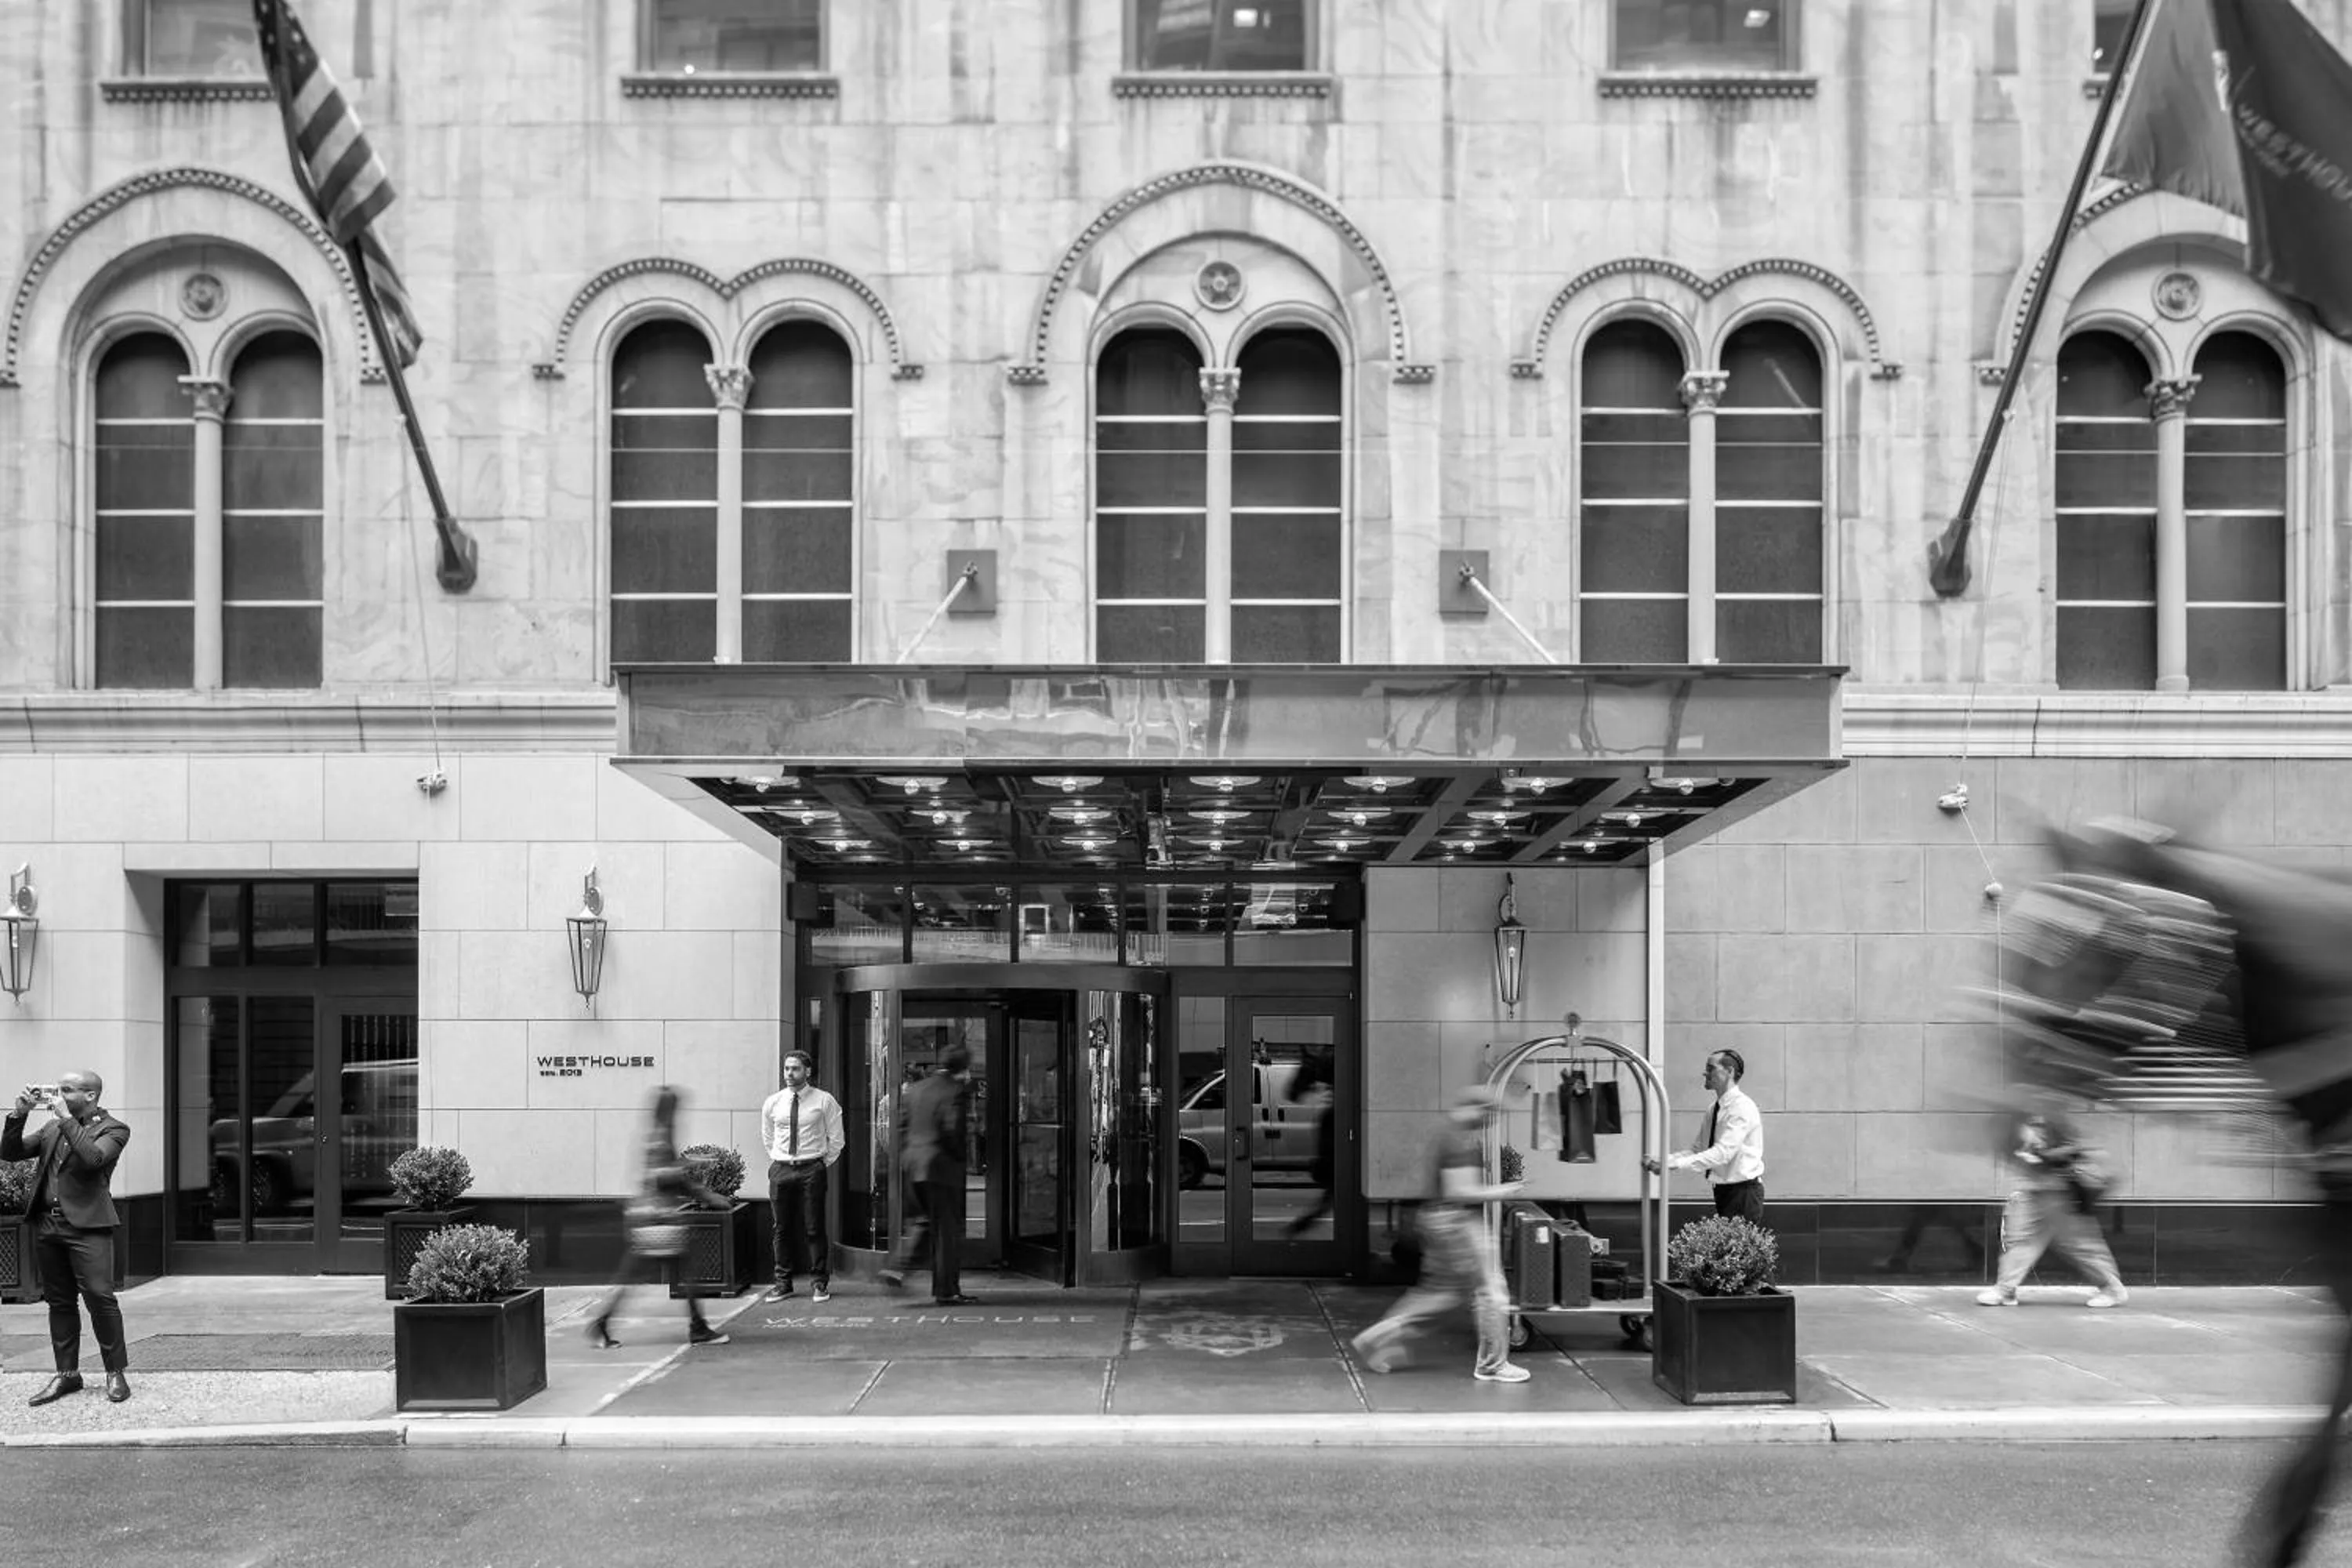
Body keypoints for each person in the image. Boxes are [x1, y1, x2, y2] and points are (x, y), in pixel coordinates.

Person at [1348, 1083, 1531, 1383]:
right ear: (1476, 1109)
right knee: (1491, 1291)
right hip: (1458, 1223)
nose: (1490, 1122)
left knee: (1442, 1293)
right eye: (1490, 1114)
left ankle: (1382, 1333)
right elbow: (1460, 1191)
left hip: (1438, 1219)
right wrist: (1503, 1191)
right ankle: (1492, 1364)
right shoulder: (1457, 1140)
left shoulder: (1447, 1131)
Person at [4, 1073, 132, 1405]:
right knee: (59, 1302)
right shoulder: (52, 1128)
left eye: (67, 1090)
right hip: (48, 1226)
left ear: (90, 1096)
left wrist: (65, 1120)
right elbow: (11, 1152)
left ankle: (115, 1371)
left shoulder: (115, 1129)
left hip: (89, 1227)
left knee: (100, 1298)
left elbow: (94, 1159)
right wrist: (19, 1114)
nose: (59, 1094)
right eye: (59, 1088)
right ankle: (67, 1374)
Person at [586, 1084, 731, 1348]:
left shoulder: (656, 1133)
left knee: (639, 1274)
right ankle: (697, 1328)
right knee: (679, 1271)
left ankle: (602, 1324)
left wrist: (700, 1186)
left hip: (650, 1220)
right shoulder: (661, 1136)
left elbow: (667, 1176)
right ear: (670, 1109)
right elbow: (662, 1176)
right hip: (659, 1220)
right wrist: (694, 1169)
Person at [1976, 1106, 2129, 1309]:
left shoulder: (2054, 1119)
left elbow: (2075, 1149)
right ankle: (2006, 1289)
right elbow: (2014, 1150)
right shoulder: (2018, 1119)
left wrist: (2046, 1156)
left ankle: (2112, 1288)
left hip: (2059, 1191)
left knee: (2079, 1243)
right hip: (2031, 1189)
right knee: (2020, 1239)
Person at [879, 1044, 976, 1305]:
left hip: (913, 1164)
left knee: (922, 1221)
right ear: (963, 1067)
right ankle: (946, 1291)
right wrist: (960, 1158)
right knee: (946, 1231)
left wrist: (907, 1155)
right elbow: (953, 1130)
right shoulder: (956, 1091)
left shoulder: (916, 1089)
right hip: (941, 1167)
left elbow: (901, 1126)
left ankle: (897, 1267)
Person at [758, 1051, 844, 1305]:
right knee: (781, 1228)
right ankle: (783, 1283)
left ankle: (819, 1282)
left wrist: (819, 1164)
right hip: (781, 1169)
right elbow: (768, 1136)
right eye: (786, 1068)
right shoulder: (773, 1102)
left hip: (811, 1169)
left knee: (814, 1227)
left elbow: (836, 1139)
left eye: (795, 1068)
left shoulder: (824, 1101)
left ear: (808, 1071)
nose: (789, 1073)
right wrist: (781, 1158)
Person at [1644, 1048, 1766, 1225]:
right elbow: (1698, 1150)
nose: (1705, 1073)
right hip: (1724, 1192)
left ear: (1730, 1072)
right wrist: (1665, 1161)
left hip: (1743, 1194)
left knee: (1735, 1243)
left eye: (1711, 1068)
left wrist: (1674, 1164)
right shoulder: (1713, 1109)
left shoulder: (1741, 1108)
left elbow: (1723, 1153)